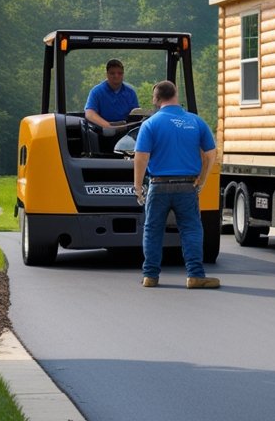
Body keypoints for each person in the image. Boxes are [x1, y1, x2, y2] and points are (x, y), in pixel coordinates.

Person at [133, 80, 219, 289]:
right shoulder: (196, 121)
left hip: (158, 185)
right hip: (187, 186)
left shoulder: (150, 124)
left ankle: (150, 276)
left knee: (153, 229)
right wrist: (203, 179)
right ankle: (195, 275)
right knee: (190, 229)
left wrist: (137, 186)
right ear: (176, 94)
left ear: (156, 99)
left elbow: (141, 157)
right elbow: (211, 153)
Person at [85, 58, 140, 128]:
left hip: (125, 130)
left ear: (123, 74)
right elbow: (90, 114)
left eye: (119, 73)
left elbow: (136, 115)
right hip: (102, 131)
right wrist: (108, 126)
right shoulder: (96, 92)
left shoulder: (131, 92)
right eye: (112, 73)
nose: (116, 76)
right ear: (107, 74)